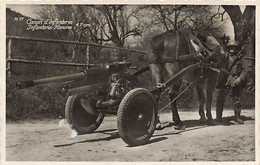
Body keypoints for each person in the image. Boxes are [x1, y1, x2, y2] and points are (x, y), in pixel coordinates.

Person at [216, 40, 248, 124]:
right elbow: (218, 63)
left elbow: (245, 69)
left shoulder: (240, 58)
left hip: (235, 79)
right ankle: (218, 117)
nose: (232, 49)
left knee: (237, 99)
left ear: (236, 48)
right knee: (220, 99)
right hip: (225, 79)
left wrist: (240, 79)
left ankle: (237, 117)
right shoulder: (224, 56)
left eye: (234, 47)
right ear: (228, 48)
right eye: (230, 47)